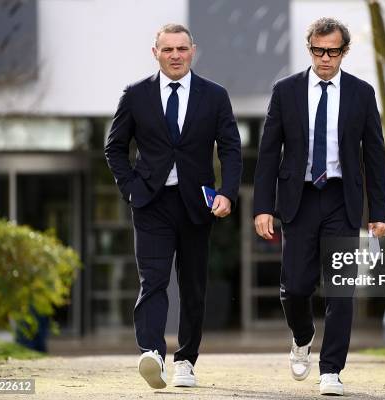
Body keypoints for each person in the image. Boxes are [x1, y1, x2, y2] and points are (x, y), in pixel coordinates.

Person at [253, 17, 385, 396]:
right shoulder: (286, 91)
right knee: (295, 289)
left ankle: (332, 370)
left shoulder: (362, 94)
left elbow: (376, 156)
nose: (324, 58)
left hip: (341, 198)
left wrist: (380, 213)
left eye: (332, 51)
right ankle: (302, 336)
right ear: (309, 48)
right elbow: (268, 154)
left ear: (344, 51)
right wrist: (263, 207)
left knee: (341, 289)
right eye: (317, 50)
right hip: (298, 198)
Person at [105, 23, 242, 390]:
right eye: (168, 50)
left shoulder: (214, 96)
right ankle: (151, 352)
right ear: (156, 53)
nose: (176, 56)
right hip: (150, 203)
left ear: (192, 50)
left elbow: (230, 148)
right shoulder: (135, 95)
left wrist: (227, 192)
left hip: (197, 205)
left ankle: (185, 360)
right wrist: (131, 188)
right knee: (153, 281)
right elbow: (114, 147)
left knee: (193, 285)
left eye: (182, 49)